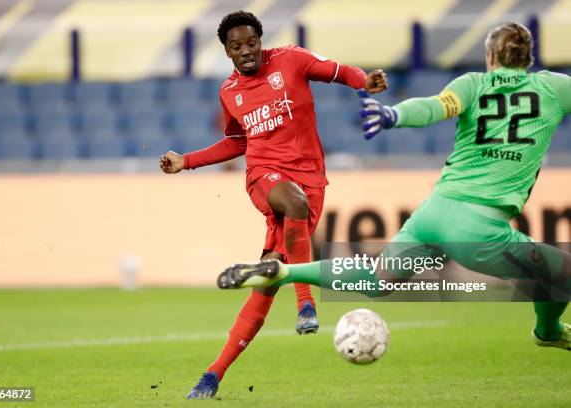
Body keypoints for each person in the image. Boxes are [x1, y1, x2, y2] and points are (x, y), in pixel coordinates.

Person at [217, 22, 571, 354]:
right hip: (478, 230)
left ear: (490, 57)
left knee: (376, 279)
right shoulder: (554, 88)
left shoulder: (471, 84)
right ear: (529, 57)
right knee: (561, 272)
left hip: (434, 213)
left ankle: (283, 271)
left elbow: (433, 108)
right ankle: (549, 332)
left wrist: (392, 116)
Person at [159, 10, 389, 399]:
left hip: (311, 177)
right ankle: (306, 305)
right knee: (293, 203)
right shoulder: (229, 91)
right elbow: (237, 141)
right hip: (264, 176)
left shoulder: (291, 60)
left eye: (251, 43)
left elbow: (334, 71)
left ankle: (212, 375)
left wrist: (363, 81)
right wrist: (187, 160)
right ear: (227, 51)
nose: (246, 51)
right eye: (236, 47)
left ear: (260, 41)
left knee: (267, 283)